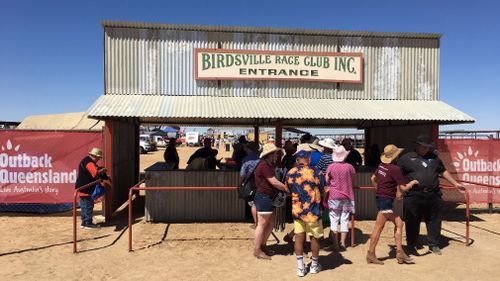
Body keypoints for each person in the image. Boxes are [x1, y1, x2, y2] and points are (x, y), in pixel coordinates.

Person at [397, 134, 465, 255]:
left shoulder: (434, 158)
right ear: (417, 146)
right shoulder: (406, 158)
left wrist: (455, 183)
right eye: (423, 147)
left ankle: (434, 244)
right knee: (412, 220)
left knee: (434, 220)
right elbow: (398, 176)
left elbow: (443, 171)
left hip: (433, 195)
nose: (425, 149)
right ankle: (412, 244)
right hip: (413, 195)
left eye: (427, 147)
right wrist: (399, 191)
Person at [366, 144, 418, 265]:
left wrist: (378, 189)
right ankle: (371, 254)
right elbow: (403, 188)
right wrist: (412, 183)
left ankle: (400, 252)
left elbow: (373, 178)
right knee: (378, 228)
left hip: (381, 199)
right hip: (386, 201)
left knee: (399, 223)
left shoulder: (381, 166)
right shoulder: (395, 169)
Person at [286, 145, 324, 276]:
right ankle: (314, 266)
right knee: (314, 238)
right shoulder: (316, 171)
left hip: (297, 210)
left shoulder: (290, 172)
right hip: (313, 210)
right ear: (307, 159)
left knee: (299, 238)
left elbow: (288, 189)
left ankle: (300, 268)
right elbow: (324, 188)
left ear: (297, 160)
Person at [253, 143, 290, 260]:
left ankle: (262, 246)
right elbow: (274, 182)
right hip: (264, 197)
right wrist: (285, 188)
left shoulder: (266, 165)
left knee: (269, 224)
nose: (276, 155)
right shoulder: (265, 166)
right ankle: (258, 249)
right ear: (270, 155)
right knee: (262, 225)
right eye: (274, 153)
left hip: (265, 197)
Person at [325, 145, 355, 251]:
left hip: (334, 195)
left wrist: (330, 184)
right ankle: (342, 242)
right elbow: (352, 179)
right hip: (347, 195)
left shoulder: (331, 166)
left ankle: (335, 244)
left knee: (334, 219)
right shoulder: (350, 167)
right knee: (344, 219)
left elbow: (327, 179)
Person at [75, 148, 107, 230]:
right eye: (98, 158)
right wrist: (103, 170)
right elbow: (95, 172)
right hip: (85, 188)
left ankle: (84, 222)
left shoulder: (87, 160)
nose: (99, 159)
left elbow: (95, 169)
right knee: (88, 205)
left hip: (82, 187)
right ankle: (88, 223)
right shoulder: (89, 162)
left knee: (84, 206)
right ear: (95, 156)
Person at [240, 141, 261, 228]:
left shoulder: (246, 160)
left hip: (252, 184)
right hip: (262, 183)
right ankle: (262, 223)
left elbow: (242, 174)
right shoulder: (261, 158)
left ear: (249, 149)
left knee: (253, 204)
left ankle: (257, 224)